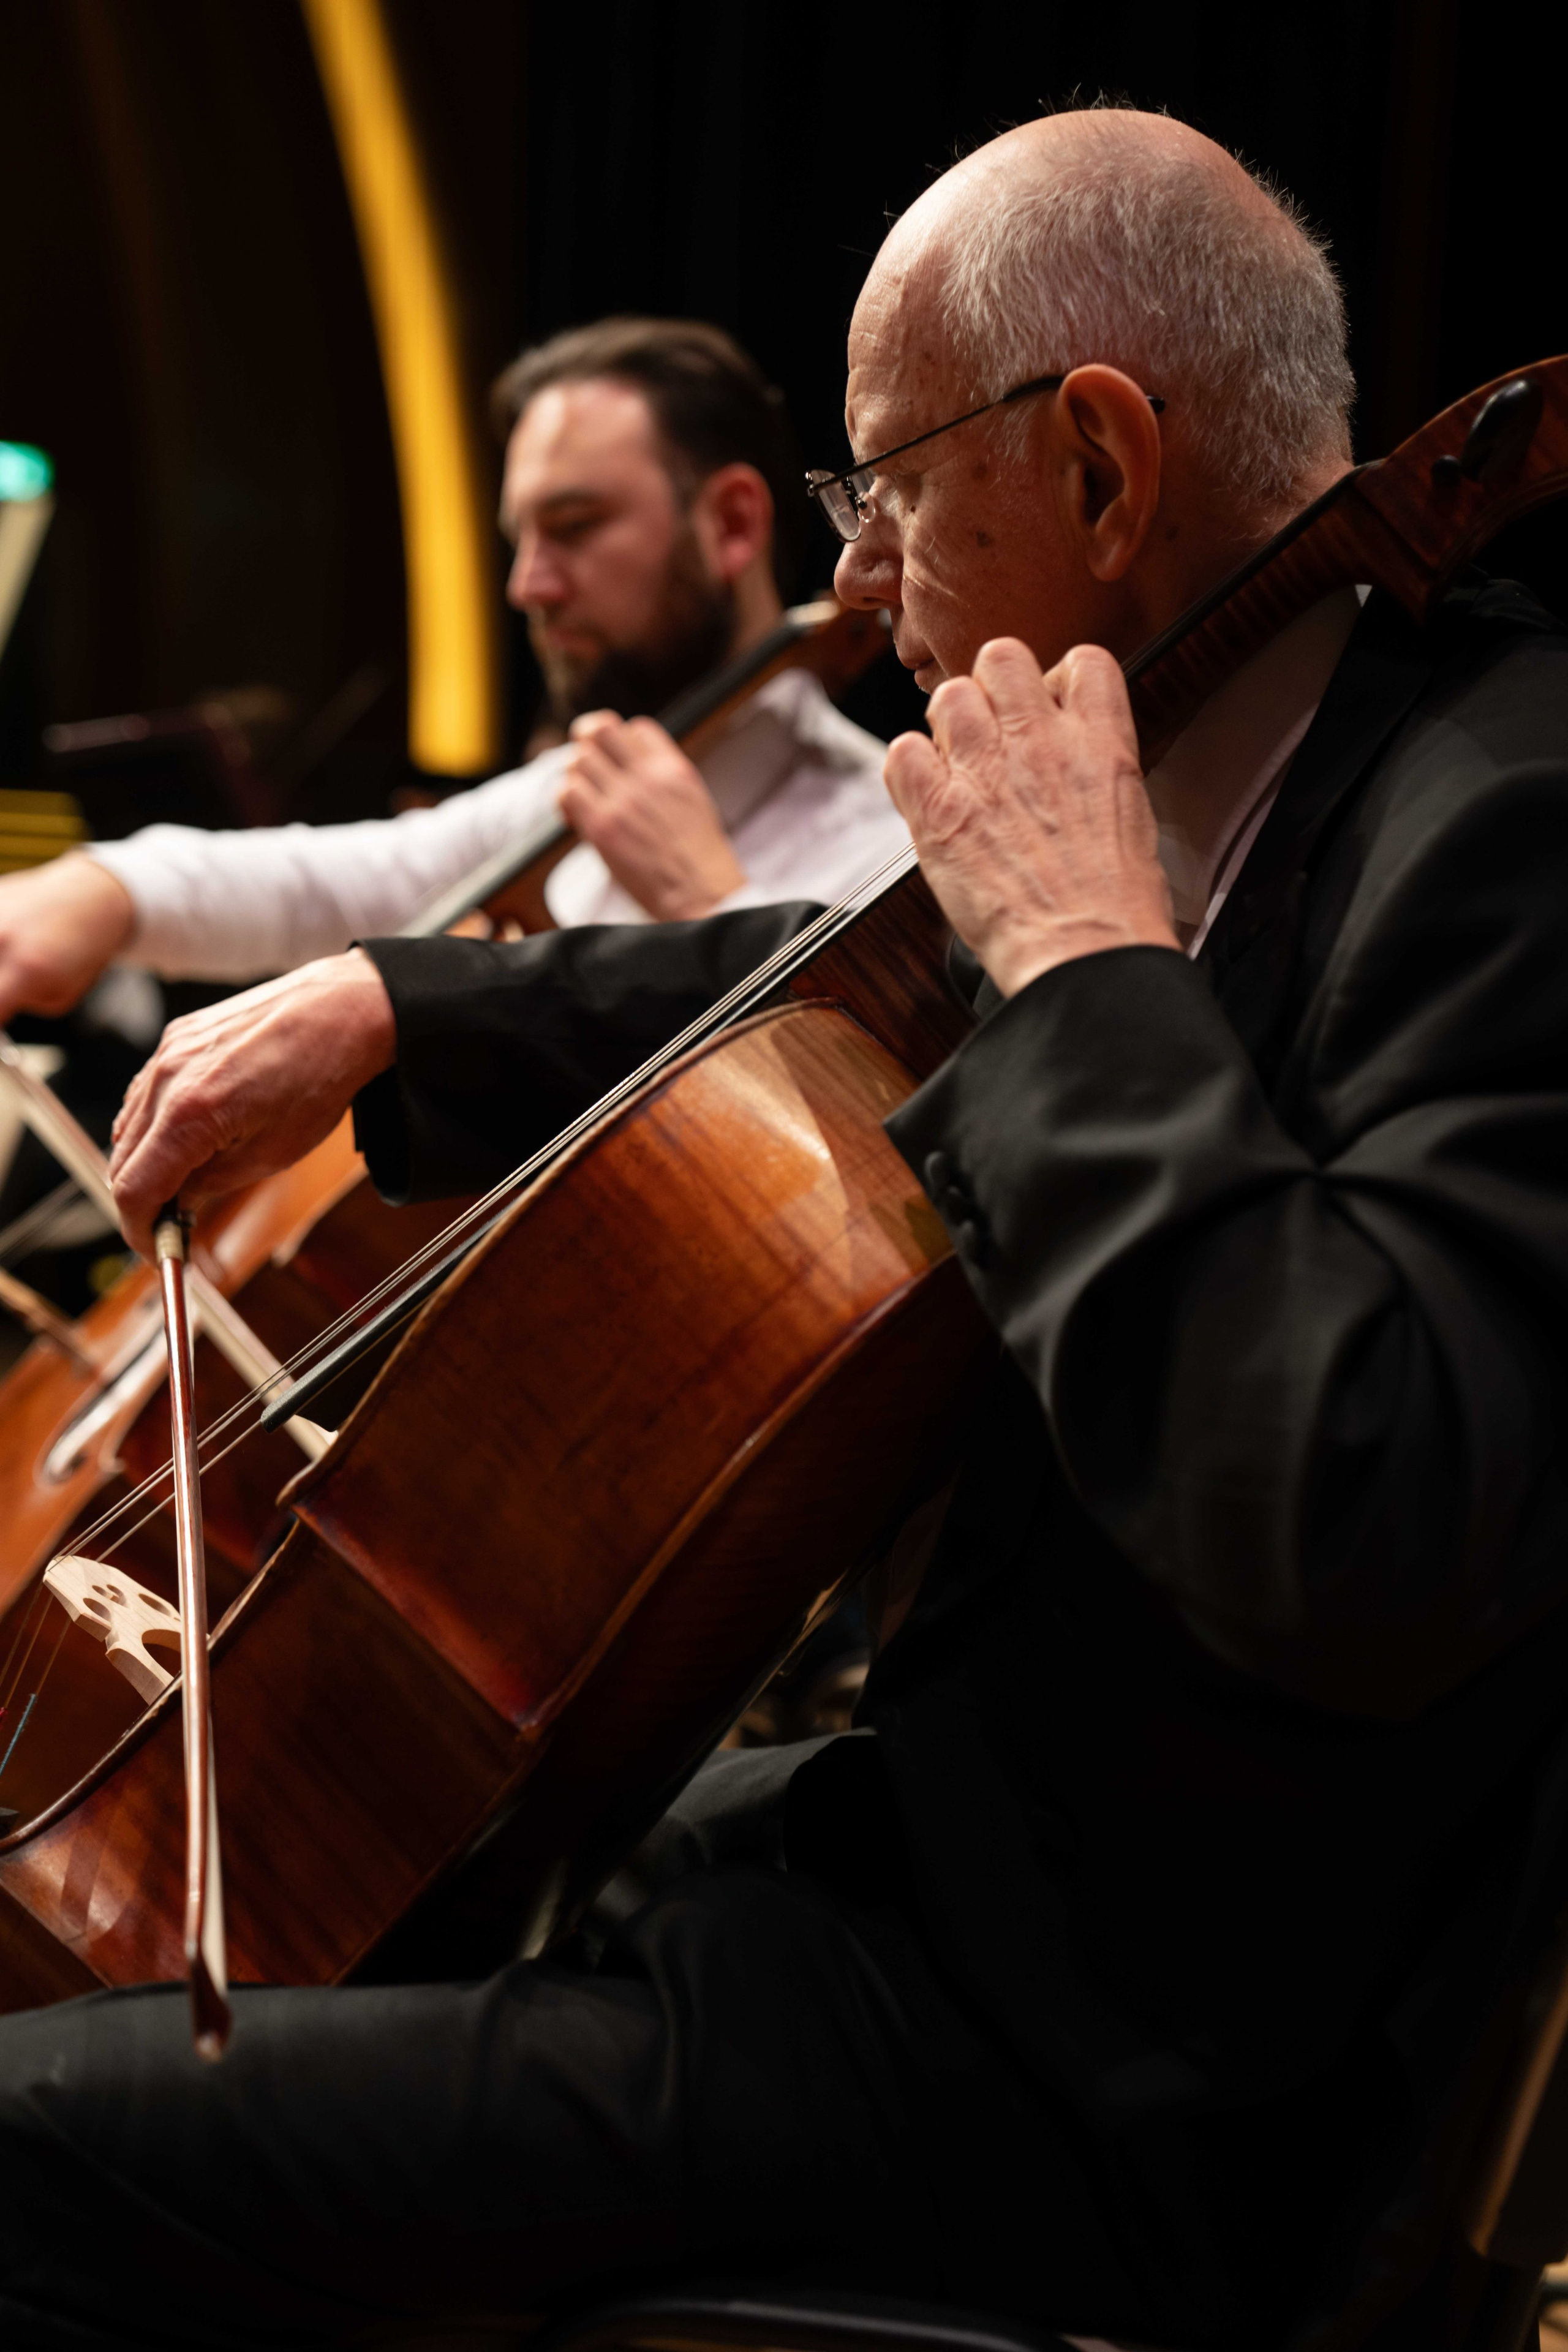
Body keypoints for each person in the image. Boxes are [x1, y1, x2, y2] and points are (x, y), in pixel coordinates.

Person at [5, 105, 1568, 2351]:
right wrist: (382, 1000)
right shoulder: (1232, 766)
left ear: (1104, 474)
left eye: (893, 483)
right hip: (878, 1901)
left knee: (36, 2150)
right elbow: (826, 984)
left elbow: (1356, 1514)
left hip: (1084, 2079)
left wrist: (1093, 968)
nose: (855, 585)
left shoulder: (1505, 823)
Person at [0, 317, 903, 1026]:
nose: (527, 587)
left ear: (734, 524)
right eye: (520, 540)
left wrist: (715, 910)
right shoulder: (581, 787)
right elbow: (335, 879)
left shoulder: (895, 843)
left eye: (577, 525)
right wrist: (105, 890)